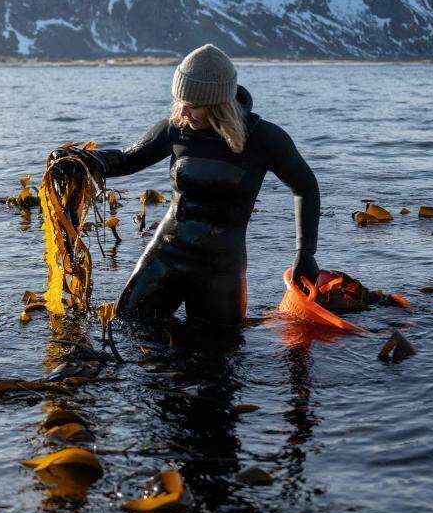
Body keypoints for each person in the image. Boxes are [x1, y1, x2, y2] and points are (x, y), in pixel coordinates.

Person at [66, 44, 320, 325]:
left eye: (192, 106)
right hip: (166, 254)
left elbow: (305, 187)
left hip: (221, 269)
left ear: (218, 104)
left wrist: (305, 252)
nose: (182, 112)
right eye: (179, 101)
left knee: (216, 354)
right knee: (128, 325)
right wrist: (80, 161)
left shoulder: (264, 138)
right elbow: (126, 160)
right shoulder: (175, 127)